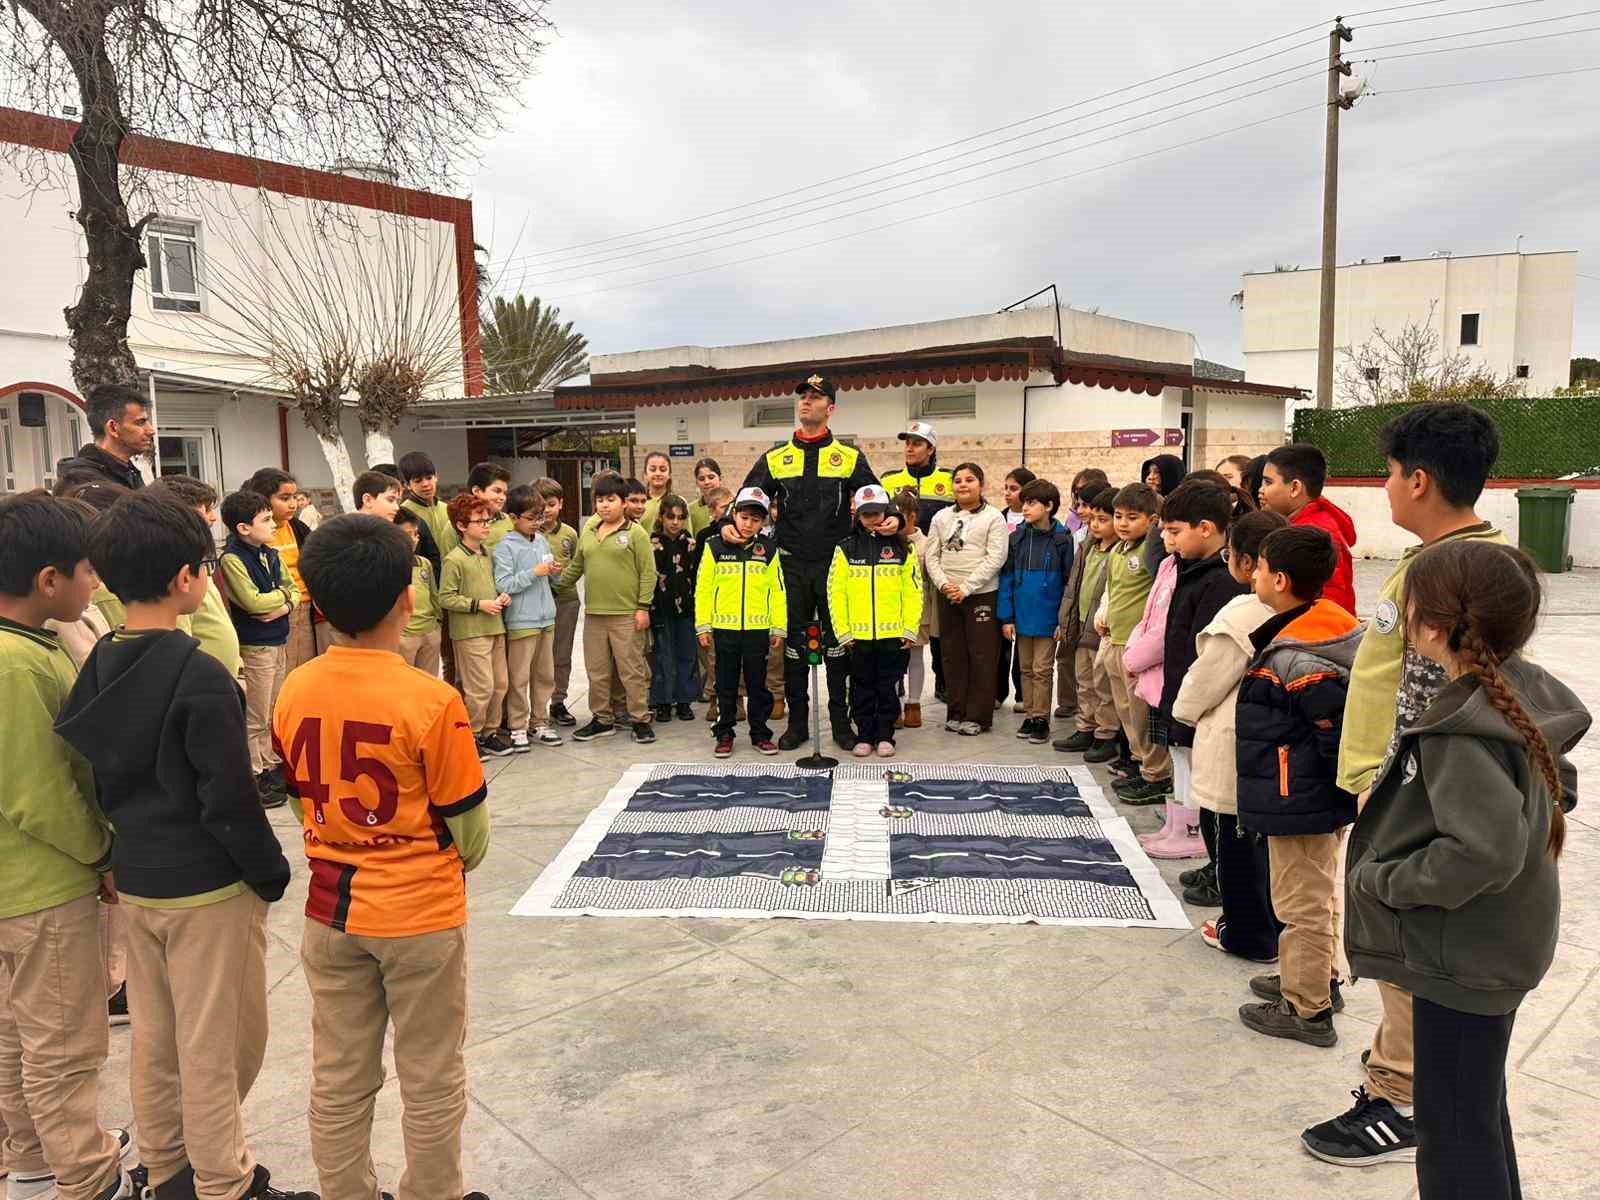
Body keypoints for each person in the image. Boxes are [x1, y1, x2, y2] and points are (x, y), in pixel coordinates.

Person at [55, 492, 310, 1200]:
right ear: (185, 579)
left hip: (138, 881)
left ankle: (165, 1169)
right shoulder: (198, 674)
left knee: (158, 1039)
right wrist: (270, 872)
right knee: (218, 1045)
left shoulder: (102, 657)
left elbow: (86, 763)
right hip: (208, 891)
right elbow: (227, 800)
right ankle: (224, 1181)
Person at [1302, 401, 1509, 1167]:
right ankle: (1398, 1082)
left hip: (1411, 787)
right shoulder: (1457, 556)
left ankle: (1400, 1100)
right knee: (1397, 941)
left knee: (1404, 944)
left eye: (1389, 474)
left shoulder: (1449, 569)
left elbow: (1432, 692)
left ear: (1418, 479)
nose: (1385, 488)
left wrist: (1394, 784)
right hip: (1394, 779)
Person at [1349, 540, 1587, 1200]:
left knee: (1453, 1130)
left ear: (1435, 624)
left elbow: (1481, 850)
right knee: (1477, 1115)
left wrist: (1384, 880)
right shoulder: (1517, 689)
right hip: (1500, 939)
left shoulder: (1460, 726)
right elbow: (1552, 788)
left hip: (1464, 955)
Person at [271, 515, 494, 1200]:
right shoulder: (433, 701)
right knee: (429, 1072)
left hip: (331, 910)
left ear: (317, 601)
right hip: (419, 915)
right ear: (407, 597)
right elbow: (472, 837)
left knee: (339, 1072)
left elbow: (299, 803)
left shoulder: (294, 689)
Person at [0, 492, 134, 1200]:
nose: (99, 586)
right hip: (43, 890)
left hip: (19, 890)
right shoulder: (17, 665)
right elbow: (38, 794)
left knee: (20, 1042)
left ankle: (30, 1167)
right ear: (50, 580)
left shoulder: (25, 647)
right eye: (90, 570)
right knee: (64, 1048)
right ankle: (88, 1178)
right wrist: (103, 854)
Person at [1233, 526, 1361, 1048]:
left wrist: (1326, 795)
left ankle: (1307, 1009)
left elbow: (1333, 732)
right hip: (1310, 796)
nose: (1254, 574)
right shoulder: (1321, 628)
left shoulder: (1298, 653)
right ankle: (1315, 977)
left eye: (1260, 567)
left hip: (1301, 798)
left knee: (1300, 902)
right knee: (1317, 893)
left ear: (1280, 579)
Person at [738, 373, 879, 751]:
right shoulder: (775, 457)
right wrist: (729, 527)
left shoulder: (849, 457)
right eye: (802, 396)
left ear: (830, 408)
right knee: (796, 648)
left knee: (836, 648)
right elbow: (746, 500)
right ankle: (797, 724)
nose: (806, 402)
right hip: (791, 566)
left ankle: (840, 726)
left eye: (815, 397)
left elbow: (876, 499)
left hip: (834, 568)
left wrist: (892, 516)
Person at [1172, 509, 1287, 926]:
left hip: (1233, 737)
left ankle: (1241, 929)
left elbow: (1207, 678)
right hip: (1275, 747)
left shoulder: (1242, 614)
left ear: (1246, 562)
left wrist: (1182, 713)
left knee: (1229, 837)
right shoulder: (1304, 608)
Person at [1144, 482, 1248, 856]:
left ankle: (1191, 835)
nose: (1167, 539)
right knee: (1179, 758)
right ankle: (1177, 824)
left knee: (1194, 764)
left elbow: (1208, 652)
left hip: (1199, 697)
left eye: (1175, 531)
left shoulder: (1220, 580)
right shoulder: (1188, 568)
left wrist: (1188, 701)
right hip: (1179, 686)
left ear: (1206, 528)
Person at [556, 474, 658, 744]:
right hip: (595, 616)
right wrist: (555, 585)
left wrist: (643, 607)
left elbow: (649, 573)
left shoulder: (636, 533)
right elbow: (577, 566)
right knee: (597, 670)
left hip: (627, 615)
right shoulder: (589, 532)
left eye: (610, 499)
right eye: (600, 500)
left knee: (631, 670)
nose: (604, 505)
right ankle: (602, 719)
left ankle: (639, 719)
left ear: (624, 503)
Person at [827, 485, 922, 757]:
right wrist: (843, 632)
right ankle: (865, 734)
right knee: (860, 687)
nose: (873, 518)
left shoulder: (903, 548)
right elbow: (835, 592)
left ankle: (885, 735)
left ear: (887, 511)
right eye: (867, 514)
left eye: (877, 512)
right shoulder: (845, 547)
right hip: (858, 637)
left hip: (892, 635)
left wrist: (909, 628)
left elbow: (914, 591)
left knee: (888, 687)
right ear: (857, 514)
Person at [220, 489, 299, 807]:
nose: (272, 525)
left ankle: (270, 762)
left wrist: (281, 606)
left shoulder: (271, 553)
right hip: (255, 646)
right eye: (266, 520)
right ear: (243, 528)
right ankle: (256, 772)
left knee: (271, 710)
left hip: (278, 637)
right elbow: (252, 602)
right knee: (256, 713)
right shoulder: (232, 559)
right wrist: (284, 598)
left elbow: (292, 588)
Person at [694, 487, 786, 757]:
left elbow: (778, 590)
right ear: (734, 515)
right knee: (725, 684)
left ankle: (760, 733)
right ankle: (724, 733)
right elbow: (704, 588)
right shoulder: (714, 546)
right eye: (744, 517)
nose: (749, 524)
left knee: (758, 684)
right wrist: (703, 625)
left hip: (758, 630)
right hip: (724, 629)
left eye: (756, 520)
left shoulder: (768, 549)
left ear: (763, 523)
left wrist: (778, 626)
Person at [1096, 482, 1171, 797]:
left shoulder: (1152, 553)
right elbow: (1113, 591)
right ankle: (1140, 764)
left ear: (1152, 521)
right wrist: (1105, 615)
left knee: (1141, 713)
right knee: (1125, 711)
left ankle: (1156, 773)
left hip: (1137, 646)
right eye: (1118, 516)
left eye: (1132, 517)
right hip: (1114, 639)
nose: (1123, 524)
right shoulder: (1116, 550)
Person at [924, 462, 1009, 736]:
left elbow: (996, 557)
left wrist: (967, 587)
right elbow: (931, 556)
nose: (963, 484)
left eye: (969, 480)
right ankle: (956, 711)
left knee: (982, 655)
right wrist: (944, 584)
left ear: (981, 485)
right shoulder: (940, 517)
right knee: (952, 655)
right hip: (948, 593)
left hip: (981, 594)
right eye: (958, 480)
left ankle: (978, 716)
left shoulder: (994, 518)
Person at [997, 478, 1072, 745]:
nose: (1024, 508)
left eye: (1031, 503)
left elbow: (1068, 584)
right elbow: (1006, 579)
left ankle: (1041, 718)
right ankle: (1030, 714)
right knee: (1025, 668)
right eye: (1024, 502)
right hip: (1022, 617)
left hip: (1049, 618)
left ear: (1049, 506)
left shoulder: (1063, 540)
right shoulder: (1016, 538)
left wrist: (1063, 620)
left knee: (1042, 669)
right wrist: (1006, 617)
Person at [438, 492, 512, 758]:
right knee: (479, 689)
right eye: (479, 520)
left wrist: (502, 596)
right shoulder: (454, 560)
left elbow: (495, 585)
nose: (486, 525)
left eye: (487, 520)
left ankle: (489, 733)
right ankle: (469, 736)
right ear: (461, 526)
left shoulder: (488, 554)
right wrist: (478, 605)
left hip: (495, 628)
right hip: (470, 633)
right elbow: (445, 597)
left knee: (500, 684)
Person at [148, 475, 242, 680]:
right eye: (205, 509)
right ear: (179, 513)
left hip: (224, 680)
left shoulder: (196, 559)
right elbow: (179, 640)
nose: (213, 518)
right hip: (202, 688)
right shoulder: (173, 571)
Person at [494, 486, 563, 751]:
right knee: (519, 677)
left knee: (545, 675)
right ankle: (518, 726)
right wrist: (534, 572)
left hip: (547, 618)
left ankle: (540, 721)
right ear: (513, 517)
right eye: (531, 518)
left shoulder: (542, 540)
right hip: (522, 621)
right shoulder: (505, 547)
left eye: (540, 518)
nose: (537, 523)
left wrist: (553, 571)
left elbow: (550, 576)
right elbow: (503, 583)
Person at [1052, 485, 1119, 758]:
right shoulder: (1087, 547)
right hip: (1080, 627)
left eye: (1103, 520)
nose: (1094, 525)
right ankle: (1086, 727)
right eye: (1091, 519)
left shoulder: (1119, 552)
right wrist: (1065, 620)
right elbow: (1073, 587)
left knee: (1104, 686)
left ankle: (1106, 734)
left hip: (1102, 630)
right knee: (1085, 683)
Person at [1259, 443, 1357, 615]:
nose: (1261, 490)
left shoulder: (1315, 534)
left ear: (1295, 488)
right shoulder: (1299, 525)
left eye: (1268, 482)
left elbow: (1332, 601)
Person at [246, 468, 320, 670]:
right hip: (274, 612)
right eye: (284, 498)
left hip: (304, 607)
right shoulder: (252, 534)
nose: (293, 504)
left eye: (295, 497)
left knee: (303, 667)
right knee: (280, 670)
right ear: (263, 499)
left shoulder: (298, 528)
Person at [649, 494, 699, 722]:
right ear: (662, 517)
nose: (675, 522)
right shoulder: (652, 543)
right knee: (663, 656)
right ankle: (663, 702)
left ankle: (684, 701)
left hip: (686, 608)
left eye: (680, 518)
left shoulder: (689, 543)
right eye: (670, 517)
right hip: (660, 608)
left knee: (687, 655)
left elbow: (696, 575)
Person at [536, 479, 582, 728]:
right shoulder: (527, 533)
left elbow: (577, 564)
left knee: (561, 654)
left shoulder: (570, 534)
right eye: (541, 505)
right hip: (537, 604)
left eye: (551, 504)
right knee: (538, 657)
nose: (546, 510)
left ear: (561, 504)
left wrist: (561, 581)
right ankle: (537, 706)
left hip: (566, 601)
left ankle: (558, 701)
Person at [55, 383, 153, 491]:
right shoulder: (89, 485)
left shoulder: (127, 472)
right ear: (113, 428)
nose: (151, 431)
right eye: (140, 423)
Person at [891, 487, 934, 730]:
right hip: (891, 609)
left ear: (913, 516)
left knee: (915, 656)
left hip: (918, 608)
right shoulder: (887, 542)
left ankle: (914, 704)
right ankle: (893, 705)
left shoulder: (926, 543)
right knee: (894, 659)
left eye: (901, 515)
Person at [392, 509, 443, 677]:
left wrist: (437, 624)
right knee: (404, 684)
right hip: (405, 635)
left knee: (429, 682)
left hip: (430, 632)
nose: (414, 538)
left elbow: (434, 596)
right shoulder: (388, 565)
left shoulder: (424, 563)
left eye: (416, 533)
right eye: (408, 534)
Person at [398, 451, 454, 579]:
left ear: (436, 477)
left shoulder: (448, 509)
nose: (425, 484)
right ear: (407, 485)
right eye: (418, 481)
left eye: (429, 478)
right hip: (424, 578)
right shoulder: (405, 513)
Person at [466, 463, 513, 552]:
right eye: (497, 491)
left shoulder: (510, 522)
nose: (503, 498)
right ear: (476, 491)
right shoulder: (458, 524)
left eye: (504, 493)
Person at [688, 458, 724, 534]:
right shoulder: (690, 510)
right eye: (701, 479)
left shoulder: (732, 505)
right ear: (696, 482)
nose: (706, 482)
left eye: (711, 477)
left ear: (720, 478)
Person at [640, 451, 673, 532]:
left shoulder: (679, 502)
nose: (658, 473)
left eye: (663, 469)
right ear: (645, 474)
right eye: (653, 469)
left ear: (669, 474)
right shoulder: (637, 503)